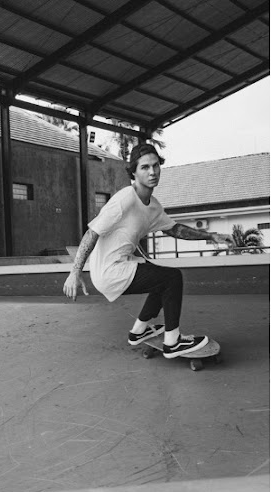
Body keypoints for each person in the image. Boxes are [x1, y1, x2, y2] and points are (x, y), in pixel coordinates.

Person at [63, 143, 234, 358]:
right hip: (110, 270)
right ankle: (172, 342)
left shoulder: (153, 206)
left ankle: (138, 331)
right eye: (145, 167)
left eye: (155, 166)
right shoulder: (125, 198)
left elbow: (174, 229)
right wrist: (75, 272)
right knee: (172, 278)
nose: (152, 172)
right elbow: (92, 233)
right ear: (133, 172)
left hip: (123, 264)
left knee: (157, 275)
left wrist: (211, 236)